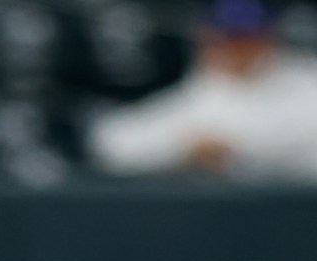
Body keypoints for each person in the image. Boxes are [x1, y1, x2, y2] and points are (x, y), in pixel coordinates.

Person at [87, 0, 317, 182]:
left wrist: (240, 149)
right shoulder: (200, 92)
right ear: (207, 36)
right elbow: (112, 143)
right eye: (229, 36)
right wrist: (185, 148)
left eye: (248, 36)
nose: (238, 47)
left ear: (270, 35)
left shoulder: (307, 82)